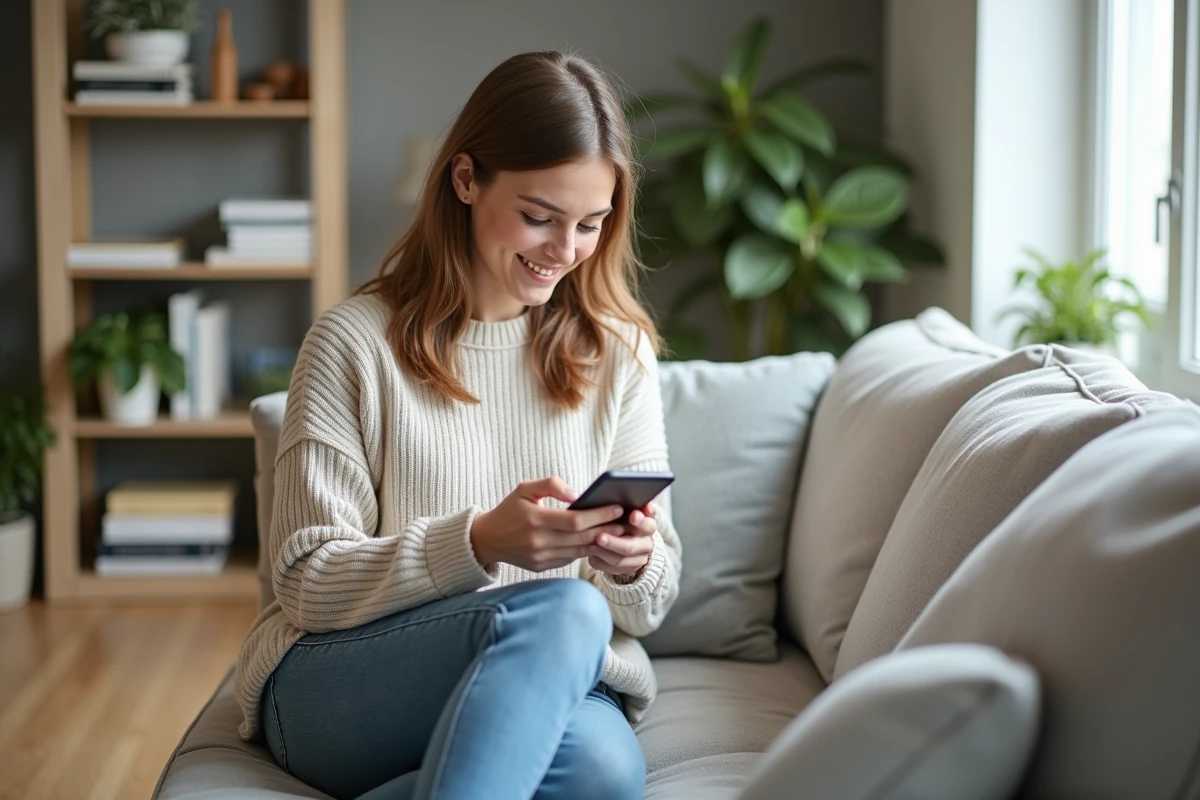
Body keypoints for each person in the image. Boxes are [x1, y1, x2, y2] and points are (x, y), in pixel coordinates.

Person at [232, 49, 683, 800]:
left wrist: (632, 560)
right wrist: (476, 543)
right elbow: (305, 581)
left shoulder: (619, 350)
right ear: (466, 180)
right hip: (348, 683)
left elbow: (653, 601)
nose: (563, 252)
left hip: (552, 682)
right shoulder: (352, 342)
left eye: (590, 225)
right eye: (539, 218)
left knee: (602, 774)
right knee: (566, 611)